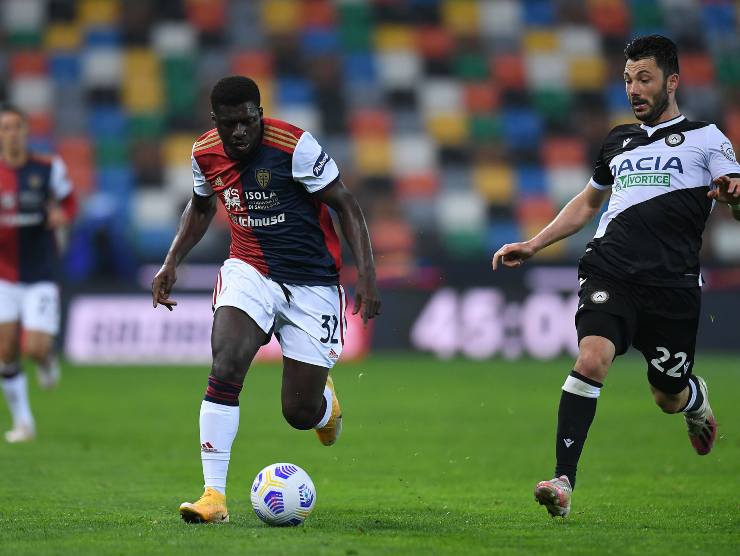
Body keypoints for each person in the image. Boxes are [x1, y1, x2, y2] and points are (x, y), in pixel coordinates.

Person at [492, 35, 740, 518]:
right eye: (628, 80)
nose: (634, 89)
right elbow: (588, 202)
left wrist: (734, 196)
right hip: (611, 270)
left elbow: (737, 199)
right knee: (592, 359)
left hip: (672, 286)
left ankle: (694, 400)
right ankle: (563, 481)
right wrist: (535, 242)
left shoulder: (708, 137)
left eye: (644, 79)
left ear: (672, 81)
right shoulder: (618, 140)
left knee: (666, 395)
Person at [152, 76, 381, 524]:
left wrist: (367, 274)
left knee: (297, 412)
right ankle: (213, 497)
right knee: (227, 361)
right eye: (229, 124)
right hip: (248, 270)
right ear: (214, 121)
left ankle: (323, 409)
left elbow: (346, 204)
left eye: (247, 121)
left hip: (312, 283)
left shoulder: (293, 145)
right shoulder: (204, 152)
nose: (239, 132)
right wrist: (171, 261)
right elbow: (201, 207)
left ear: (259, 113)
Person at [0, 103, 77, 443]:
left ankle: (46, 360)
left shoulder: (47, 167)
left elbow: (70, 201)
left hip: (41, 271)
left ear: (26, 131)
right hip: (4, 274)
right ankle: (24, 422)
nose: (11, 133)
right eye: (5, 128)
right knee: (5, 349)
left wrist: (62, 215)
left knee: (34, 348)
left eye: (16, 126)